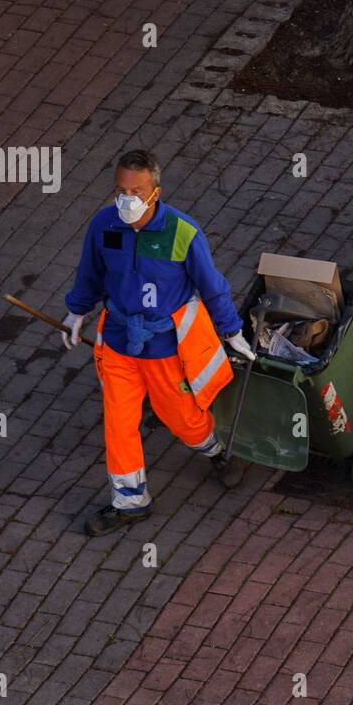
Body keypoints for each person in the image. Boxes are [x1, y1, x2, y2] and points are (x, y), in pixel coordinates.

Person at [61, 149, 257, 536]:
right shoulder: (104, 226)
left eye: (136, 191)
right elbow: (91, 272)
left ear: (156, 192)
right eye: (120, 190)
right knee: (118, 423)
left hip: (165, 349)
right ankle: (130, 501)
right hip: (117, 343)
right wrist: (76, 311)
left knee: (181, 417)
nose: (126, 200)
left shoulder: (183, 233)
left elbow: (212, 287)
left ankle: (212, 450)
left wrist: (232, 332)